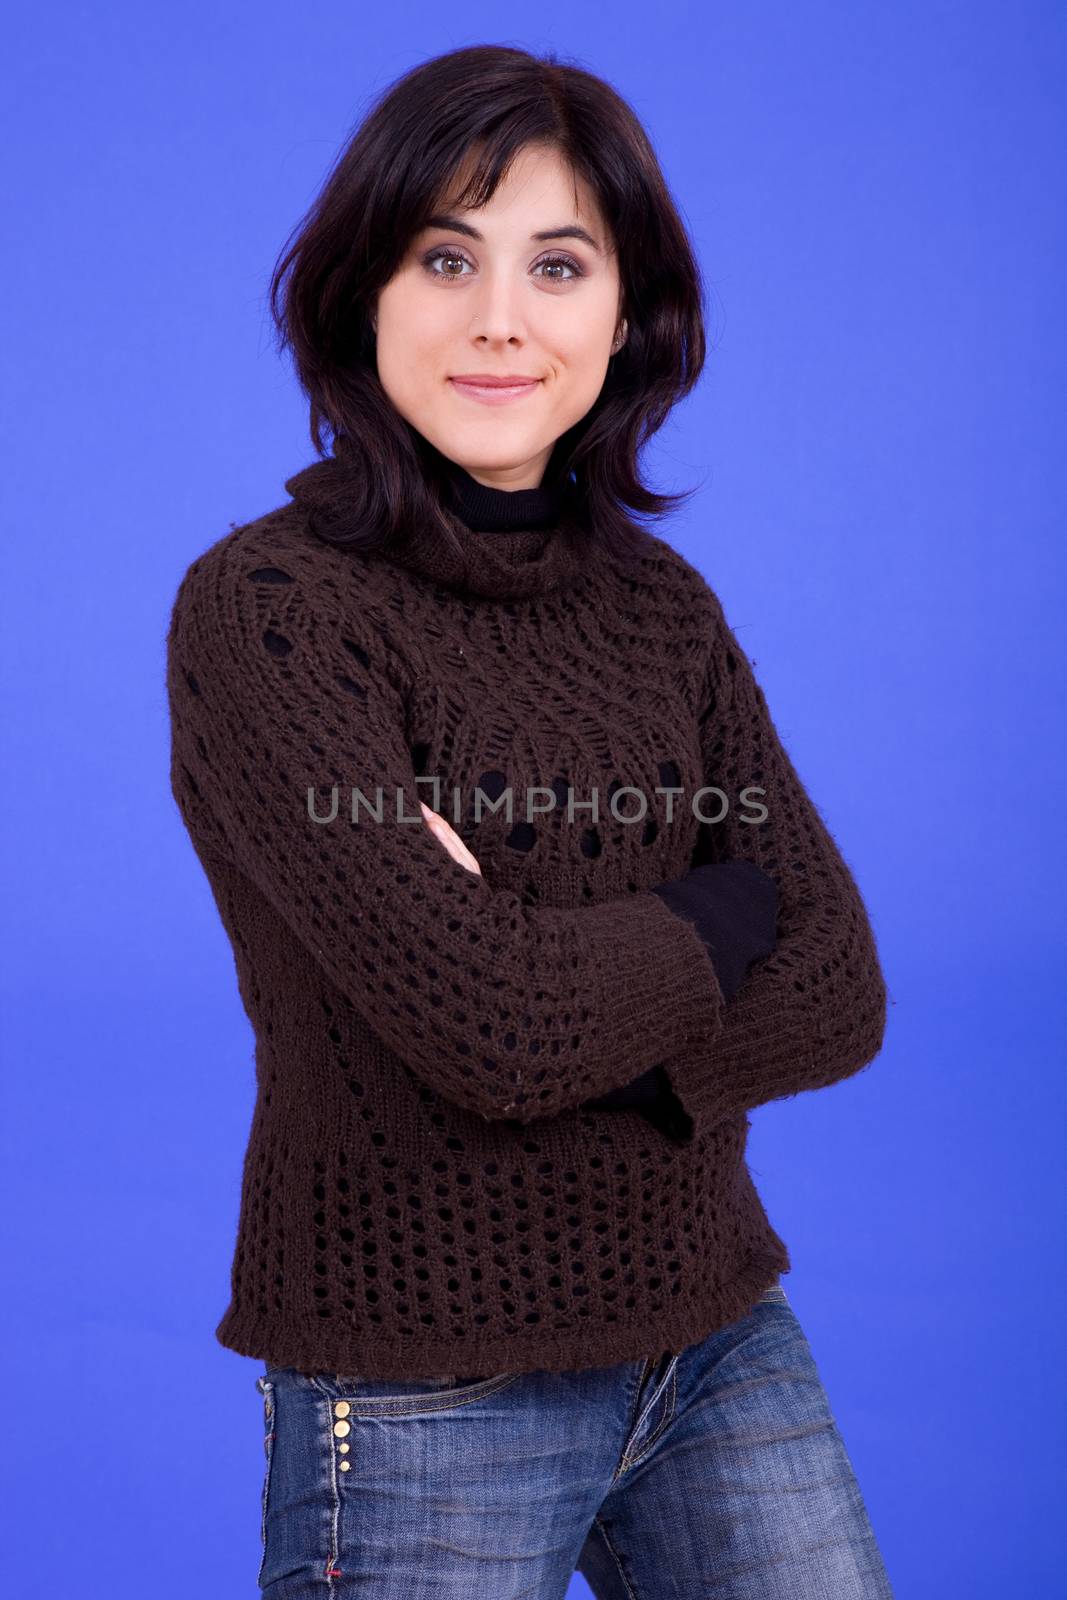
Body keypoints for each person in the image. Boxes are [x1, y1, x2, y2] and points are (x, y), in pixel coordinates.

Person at [165, 42, 894, 1600]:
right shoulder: (270, 615)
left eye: (557, 264)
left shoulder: (662, 608)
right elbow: (495, 1027)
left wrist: (565, 987)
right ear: (366, 291)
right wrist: (714, 916)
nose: (500, 316)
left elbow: (839, 984)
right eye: (446, 256)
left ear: (623, 317)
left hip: (715, 1330)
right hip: (425, 1374)